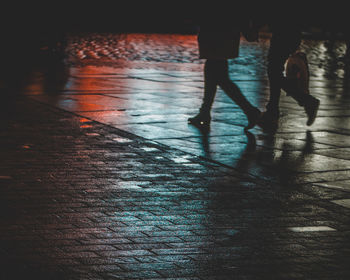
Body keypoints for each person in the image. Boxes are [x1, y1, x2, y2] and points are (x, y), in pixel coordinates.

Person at [188, 17, 261, 131]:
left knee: (218, 74)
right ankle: (205, 112)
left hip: (217, 29)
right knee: (215, 71)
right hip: (223, 29)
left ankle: (250, 111)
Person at [259, 16, 320, 131]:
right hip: (288, 32)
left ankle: (305, 100)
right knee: (274, 70)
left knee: (274, 70)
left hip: (284, 33)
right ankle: (273, 111)